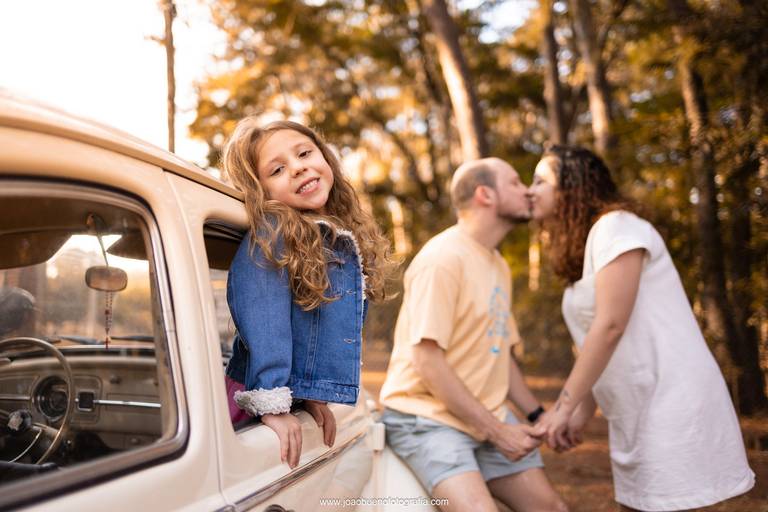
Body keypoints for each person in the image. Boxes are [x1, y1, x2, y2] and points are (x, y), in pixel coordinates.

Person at [528, 145, 755, 511]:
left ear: (573, 187)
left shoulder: (617, 226)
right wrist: (582, 412)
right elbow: (595, 342)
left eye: (541, 180)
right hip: (634, 414)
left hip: (671, 404)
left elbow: (611, 325)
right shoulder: (589, 245)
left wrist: (563, 407)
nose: (530, 190)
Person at [379, 158, 568, 512]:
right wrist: (498, 432)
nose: (528, 189)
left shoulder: (496, 263)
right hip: (426, 419)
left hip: (487, 414)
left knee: (552, 508)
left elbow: (499, 354)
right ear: (485, 194)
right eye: (515, 182)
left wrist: (536, 415)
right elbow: (426, 360)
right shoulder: (442, 259)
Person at [222, 118, 393, 468]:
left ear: (325, 158)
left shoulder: (333, 237)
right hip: (255, 395)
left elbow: (315, 330)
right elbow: (265, 319)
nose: (298, 168)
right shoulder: (272, 233)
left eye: (304, 153)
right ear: (262, 190)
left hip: (287, 395)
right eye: (278, 169)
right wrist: (272, 403)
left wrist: (311, 397)